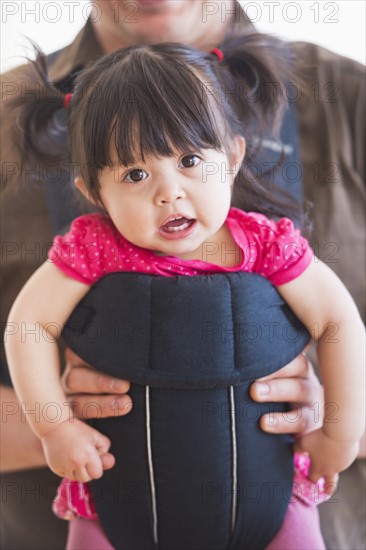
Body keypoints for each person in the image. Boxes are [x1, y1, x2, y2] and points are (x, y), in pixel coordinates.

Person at [0, 1, 364, 549]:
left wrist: (338, 419)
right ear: (93, 192)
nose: (169, 192)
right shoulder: (92, 246)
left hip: (272, 495)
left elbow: (339, 322)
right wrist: (52, 423)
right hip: (112, 496)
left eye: (192, 160)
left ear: (234, 155)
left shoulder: (268, 234)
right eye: (136, 172)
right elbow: (28, 324)